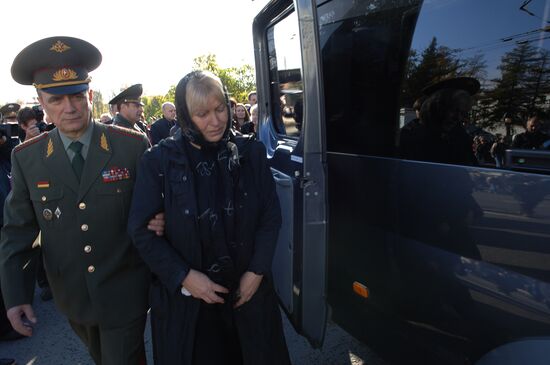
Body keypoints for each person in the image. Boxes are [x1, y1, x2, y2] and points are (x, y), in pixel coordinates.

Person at [0, 36, 164, 365]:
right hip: (72, 296)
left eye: (77, 95)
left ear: (90, 94)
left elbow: (159, 207)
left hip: (125, 291)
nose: (70, 107)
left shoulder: (131, 146)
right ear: (40, 101)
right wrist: (16, 296)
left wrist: (162, 219)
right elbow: (19, 230)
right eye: (56, 99)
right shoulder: (28, 158)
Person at [128, 70, 290, 365]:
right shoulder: (160, 161)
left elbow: (270, 215)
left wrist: (256, 272)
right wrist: (184, 277)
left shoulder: (249, 152)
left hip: (248, 292)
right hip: (192, 305)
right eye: (202, 114)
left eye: (220, 109)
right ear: (186, 116)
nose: (215, 121)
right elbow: (141, 231)